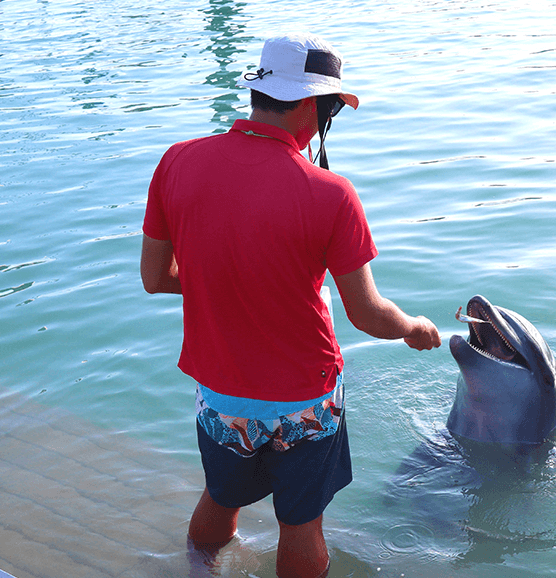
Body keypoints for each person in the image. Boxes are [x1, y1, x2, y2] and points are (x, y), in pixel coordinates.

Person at [139, 33, 441, 578]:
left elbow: (155, 279)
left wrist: (224, 280)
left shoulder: (176, 162)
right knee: (301, 524)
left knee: (220, 497)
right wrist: (414, 327)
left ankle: (196, 570)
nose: (327, 123)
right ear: (309, 103)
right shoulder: (331, 193)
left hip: (221, 393)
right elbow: (367, 314)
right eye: (330, 111)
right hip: (304, 398)